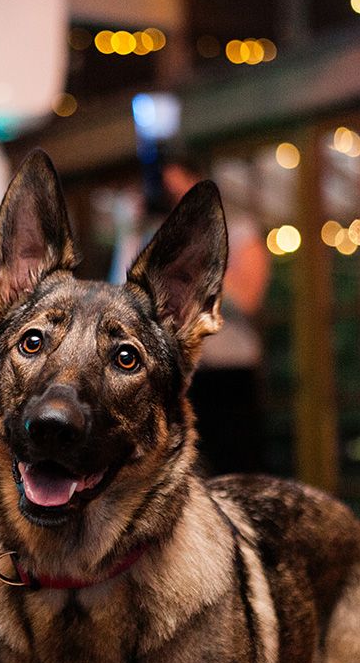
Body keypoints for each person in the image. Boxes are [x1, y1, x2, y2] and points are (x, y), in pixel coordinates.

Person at [111, 153, 271, 476]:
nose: (171, 196)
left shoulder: (239, 230)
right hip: (173, 374)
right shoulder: (151, 235)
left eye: (176, 186)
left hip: (228, 375)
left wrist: (199, 256)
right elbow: (120, 297)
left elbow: (249, 297)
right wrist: (132, 233)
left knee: (236, 469)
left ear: (196, 181)